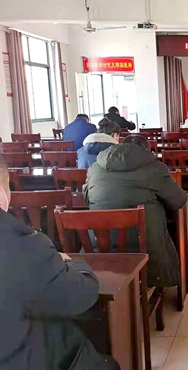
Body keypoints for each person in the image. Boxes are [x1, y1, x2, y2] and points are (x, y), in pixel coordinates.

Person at [0, 157, 120, 370]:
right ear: (2, 195)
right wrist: (75, 264)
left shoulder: (94, 167)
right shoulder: (23, 246)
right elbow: (82, 295)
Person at [83, 135, 188, 288]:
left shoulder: (95, 168)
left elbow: (87, 197)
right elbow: (179, 200)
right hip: (144, 248)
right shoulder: (155, 168)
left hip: (100, 246)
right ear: (146, 152)